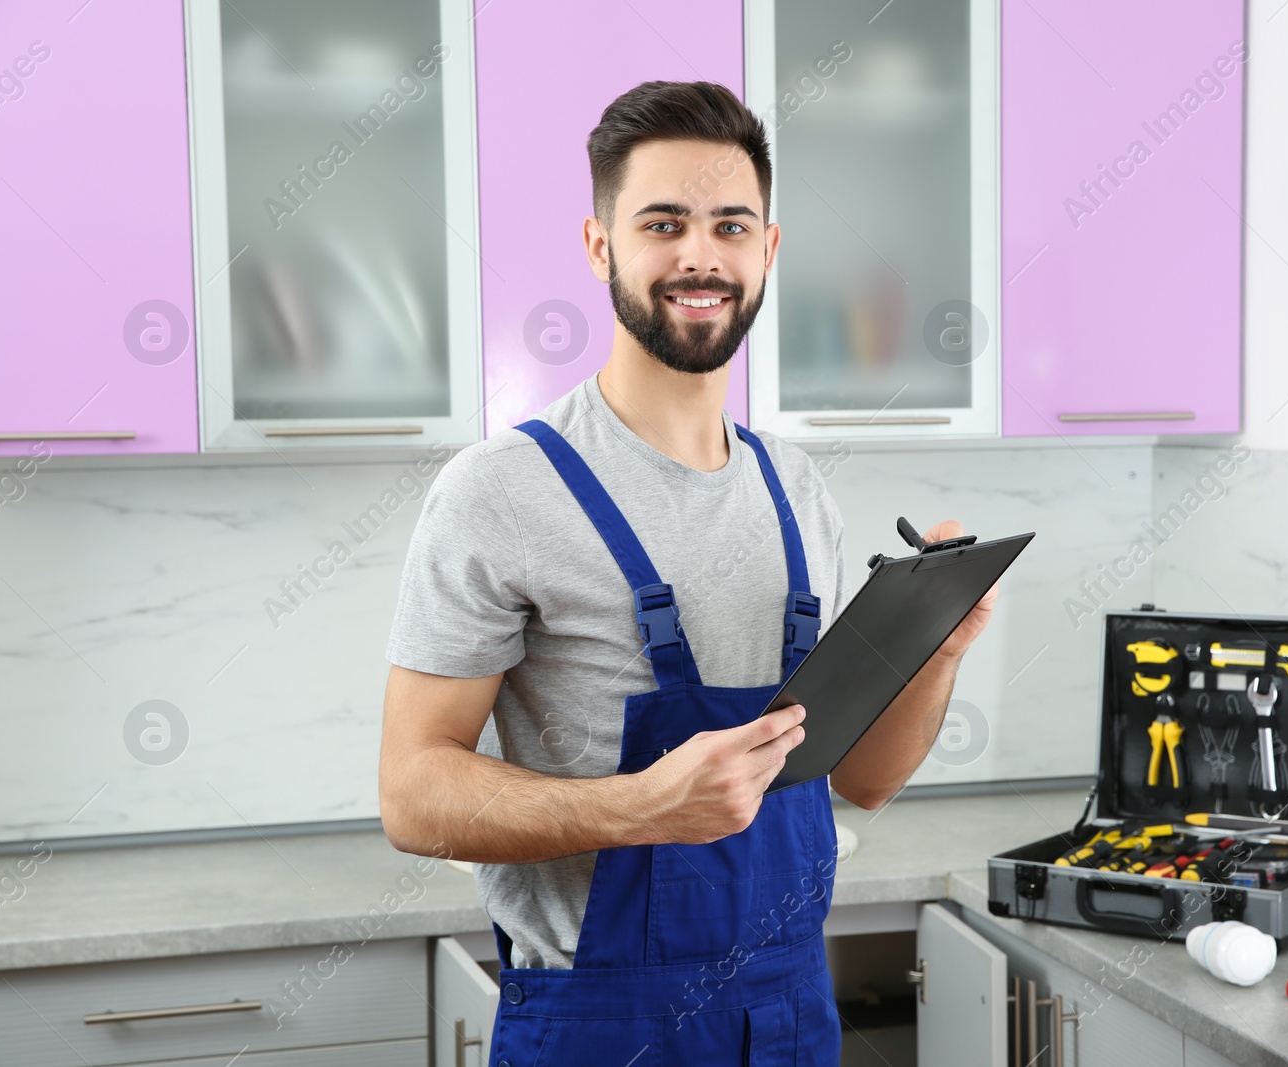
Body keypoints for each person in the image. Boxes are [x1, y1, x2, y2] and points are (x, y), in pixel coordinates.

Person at [379, 79, 996, 1066]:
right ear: (599, 246)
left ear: (768, 249)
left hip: (790, 1010)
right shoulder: (498, 490)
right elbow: (412, 792)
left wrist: (941, 646)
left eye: (729, 225)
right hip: (600, 1027)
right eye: (662, 223)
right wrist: (638, 807)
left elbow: (864, 779)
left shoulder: (796, 490)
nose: (700, 255)